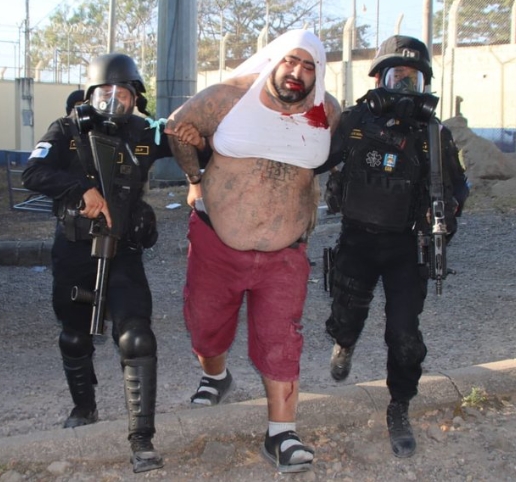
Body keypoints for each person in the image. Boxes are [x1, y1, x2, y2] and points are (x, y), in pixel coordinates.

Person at [165, 29, 341, 473]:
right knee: (206, 327)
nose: (297, 72)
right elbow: (176, 128)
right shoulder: (227, 97)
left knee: (283, 340)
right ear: (275, 60)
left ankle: (281, 434)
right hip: (217, 242)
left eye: (308, 66)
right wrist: (193, 177)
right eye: (291, 61)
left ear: (318, 72)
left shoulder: (327, 110)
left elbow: (330, 156)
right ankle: (216, 375)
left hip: (285, 250)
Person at [21, 53, 173, 473]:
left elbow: (192, 140)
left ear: (136, 98)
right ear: (90, 94)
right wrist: (79, 189)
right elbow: (33, 173)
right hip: (75, 250)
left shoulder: (144, 132)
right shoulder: (66, 129)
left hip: (123, 251)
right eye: (105, 91)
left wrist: (196, 142)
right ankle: (84, 408)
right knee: (74, 337)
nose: (113, 100)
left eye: (123, 93)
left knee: (137, 337)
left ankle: (142, 439)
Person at [319, 35, 469, 458]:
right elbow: (313, 161)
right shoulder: (354, 122)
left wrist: (448, 213)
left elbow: (460, 187)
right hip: (357, 242)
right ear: (379, 80)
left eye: (413, 79)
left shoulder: (433, 134)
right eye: (396, 76)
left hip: (407, 247)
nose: (404, 86)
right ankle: (344, 343)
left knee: (405, 338)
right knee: (345, 319)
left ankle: (399, 406)